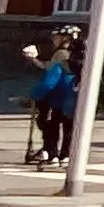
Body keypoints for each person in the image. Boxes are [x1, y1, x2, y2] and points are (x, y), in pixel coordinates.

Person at [22, 27, 82, 169]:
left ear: (64, 39)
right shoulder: (79, 57)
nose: (53, 40)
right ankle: (66, 155)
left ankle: (52, 154)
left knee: (50, 126)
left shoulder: (60, 55)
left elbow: (50, 80)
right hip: (74, 99)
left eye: (56, 38)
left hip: (58, 99)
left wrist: (33, 95)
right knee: (69, 128)